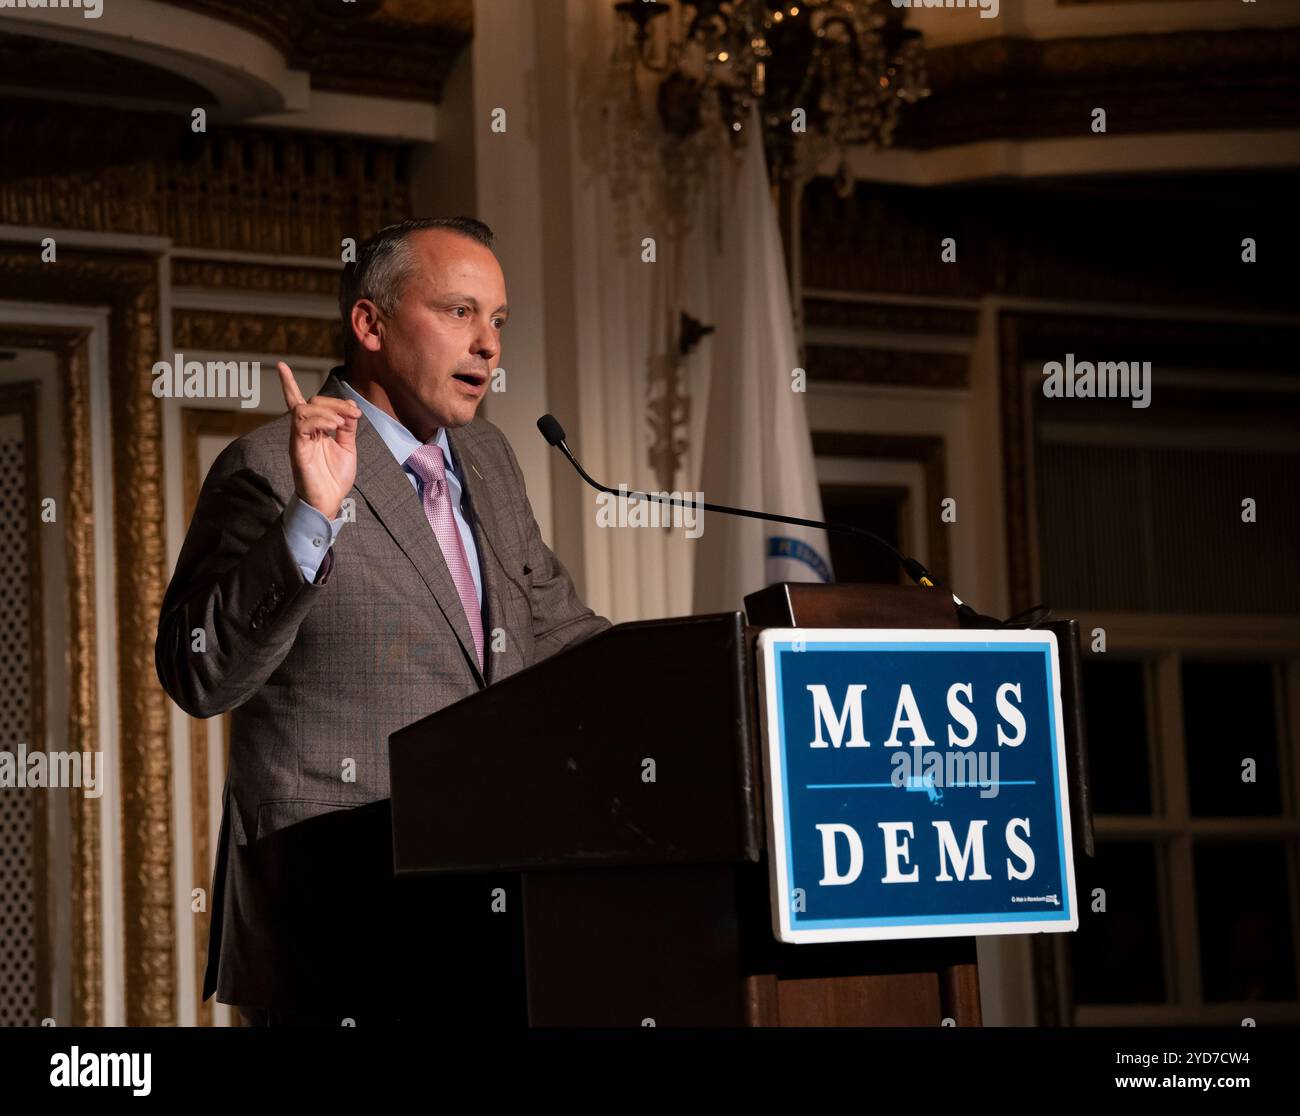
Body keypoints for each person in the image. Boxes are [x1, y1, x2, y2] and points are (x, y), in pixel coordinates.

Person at [155, 217, 610, 1025]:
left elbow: (557, 630)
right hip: (337, 913)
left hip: (491, 899)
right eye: (459, 313)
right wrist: (311, 520)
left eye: (498, 321)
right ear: (370, 324)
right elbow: (200, 672)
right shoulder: (265, 467)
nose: (488, 346)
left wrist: (724, 660)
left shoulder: (493, 463)